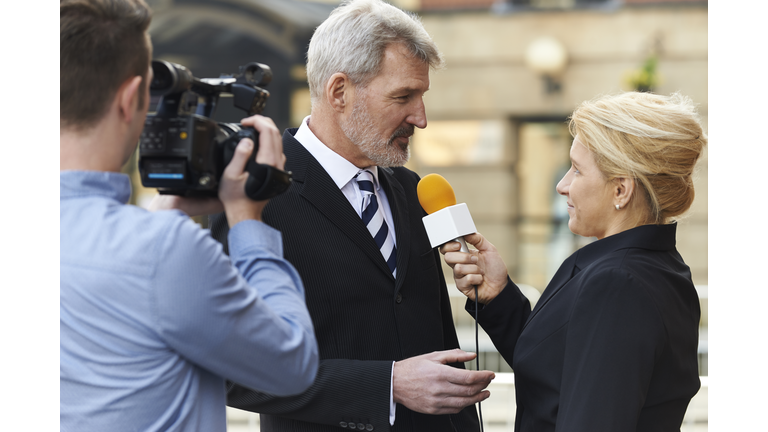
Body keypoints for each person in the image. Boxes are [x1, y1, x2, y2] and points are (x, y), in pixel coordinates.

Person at [209, 0, 494, 431]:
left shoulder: (411, 188)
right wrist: (387, 385)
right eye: (403, 97)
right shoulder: (252, 193)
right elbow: (229, 366)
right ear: (339, 92)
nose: (421, 118)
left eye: (422, 96)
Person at [60, 0, 318, 431]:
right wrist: (248, 220)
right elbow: (293, 363)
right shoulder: (162, 249)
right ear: (130, 100)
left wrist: (165, 210)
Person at [440, 91, 706, 432]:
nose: (562, 185)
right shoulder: (648, 266)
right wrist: (498, 295)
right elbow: (561, 368)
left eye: (577, 171)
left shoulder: (618, 283)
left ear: (620, 191)